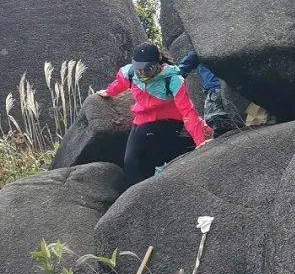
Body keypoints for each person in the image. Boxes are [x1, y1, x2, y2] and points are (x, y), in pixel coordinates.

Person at [95, 42, 211, 187]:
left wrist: (200, 141)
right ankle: (137, 198)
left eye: (147, 70)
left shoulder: (173, 79)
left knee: (142, 157)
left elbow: (188, 111)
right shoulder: (130, 73)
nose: (142, 74)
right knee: (131, 162)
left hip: (169, 121)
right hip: (142, 120)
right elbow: (120, 83)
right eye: (139, 70)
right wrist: (109, 92)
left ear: (158, 65)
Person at [177, 51, 235, 137]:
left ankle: (224, 129)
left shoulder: (199, 51)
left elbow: (185, 65)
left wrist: (175, 76)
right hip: (231, 86)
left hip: (215, 88)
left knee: (213, 116)